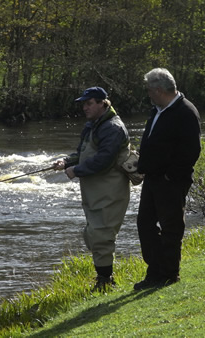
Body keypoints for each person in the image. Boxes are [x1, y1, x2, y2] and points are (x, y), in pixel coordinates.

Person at [54, 86, 131, 291]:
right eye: (83, 104)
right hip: (94, 191)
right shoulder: (92, 125)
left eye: (89, 104)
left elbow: (103, 161)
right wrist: (66, 161)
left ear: (102, 103)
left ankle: (105, 282)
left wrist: (76, 170)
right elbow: (82, 153)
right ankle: (104, 278)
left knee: (101, 234)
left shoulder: (113, 128)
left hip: (111, 190)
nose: (84, 108)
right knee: (93, 235)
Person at [134, 68, 201, 290]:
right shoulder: (157, 110)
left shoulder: (185, 112)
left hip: (171, 180)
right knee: (145, 223)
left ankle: (169, 274)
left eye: (149, 91)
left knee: (171, 227)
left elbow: (192, 150)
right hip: (153, 178)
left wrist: (170, 175)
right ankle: (155, 271)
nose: (148, 95)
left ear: (159, 90)